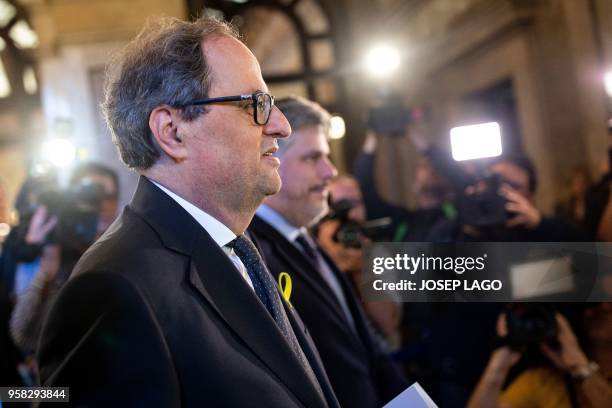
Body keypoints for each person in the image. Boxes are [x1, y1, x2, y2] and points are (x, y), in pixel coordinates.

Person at [36, 17, 339, 408]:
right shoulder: (114, 287)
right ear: (173, 131)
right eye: (255, 105)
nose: (280, 125)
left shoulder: (236, 246)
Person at [248, 96, 409, 408]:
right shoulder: (254, 254)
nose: (329, 171)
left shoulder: (309, 243)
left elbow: (366, 353)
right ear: (270, 156)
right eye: (312, 158)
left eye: (327, 157)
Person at [10, 162, 119, 355]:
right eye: (88, 195)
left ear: (118, 202)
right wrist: (46, 275)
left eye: (107, 197)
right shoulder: (53, 250)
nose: (99, 205)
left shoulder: (127, 250)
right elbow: (24, 337)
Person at [468, 307, 612, 408]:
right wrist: (499, 363)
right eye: (593, 304)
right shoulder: (543, 380)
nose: (604, 308)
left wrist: (580, 366)